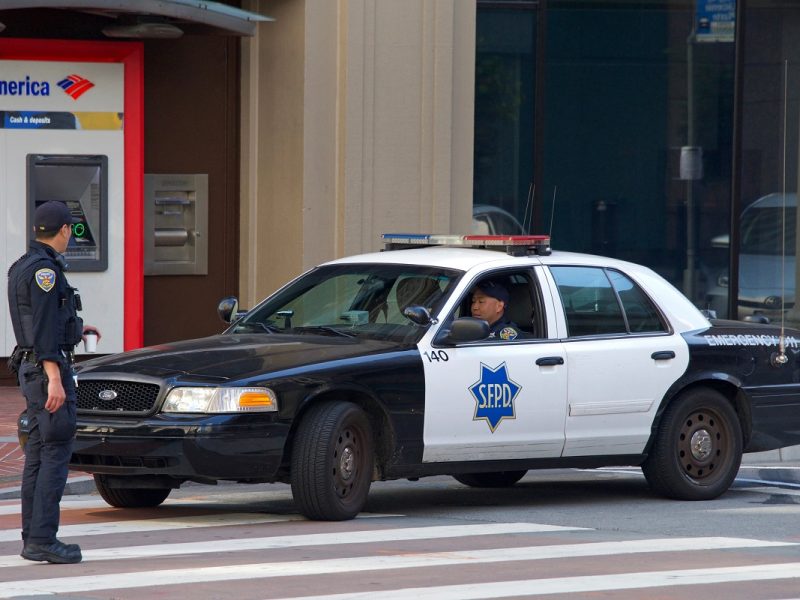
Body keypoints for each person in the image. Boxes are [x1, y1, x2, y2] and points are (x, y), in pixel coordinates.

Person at [6, 201, 98, 564]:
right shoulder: (46, 271)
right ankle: (44, 538)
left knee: (38, 456)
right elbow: (43, 328)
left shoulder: (22, 266)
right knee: (55, 454)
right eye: (71, 231)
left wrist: (77, 330)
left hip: (32, 370)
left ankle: (33, 538)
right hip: (47, 374)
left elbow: (39, 322)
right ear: (63, 230)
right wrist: (56, 378)